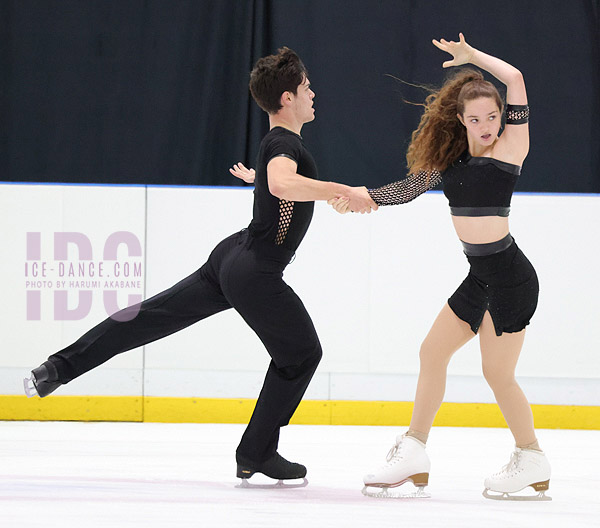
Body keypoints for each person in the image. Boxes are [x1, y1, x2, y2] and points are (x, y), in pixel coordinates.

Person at [24, 47, 377, 486]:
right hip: (256, 270)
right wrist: (342, 189)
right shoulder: (285, 142)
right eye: (305, 86)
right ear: (287, 98)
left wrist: (267, 182)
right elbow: (283, 181)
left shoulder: (276, 144)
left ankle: (57, 368)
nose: (312, 92)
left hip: (232, 257)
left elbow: (278, 185)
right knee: (302, 354)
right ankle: (256, 452)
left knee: (147, 318)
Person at [330, 34, 551, 500]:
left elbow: (514, 78)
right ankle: (413, 452)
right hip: (480, 277)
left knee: (497, 374)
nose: (487, 125)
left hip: (510, 278)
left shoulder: (510, 150)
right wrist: (361, 197)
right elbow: (406, 190)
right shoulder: (451, 163)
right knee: (432, 353)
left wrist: (472, 59)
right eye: (476, 118)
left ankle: (531, 456)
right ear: (460, 119)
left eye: (493, 116)